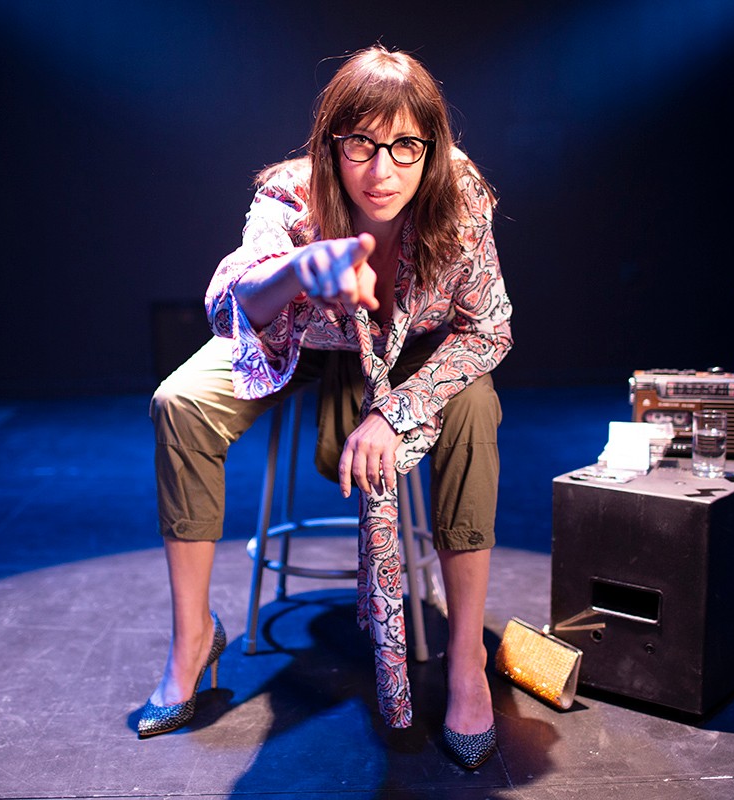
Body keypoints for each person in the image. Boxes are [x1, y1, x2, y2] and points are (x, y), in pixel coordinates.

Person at [139, 44, 512, 770]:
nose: (382, 171)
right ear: (331, 144)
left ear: (431, 147)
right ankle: (192, 639)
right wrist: (303, 268)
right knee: (179, 401)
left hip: (414, 349)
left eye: (405, 147)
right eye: (361, 144)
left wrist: (396, 411)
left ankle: (467, 661)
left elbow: (489, 328)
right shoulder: (293, 196)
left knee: (474, 407)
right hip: (306, 337)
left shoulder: (460, 195)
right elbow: (232, 304)